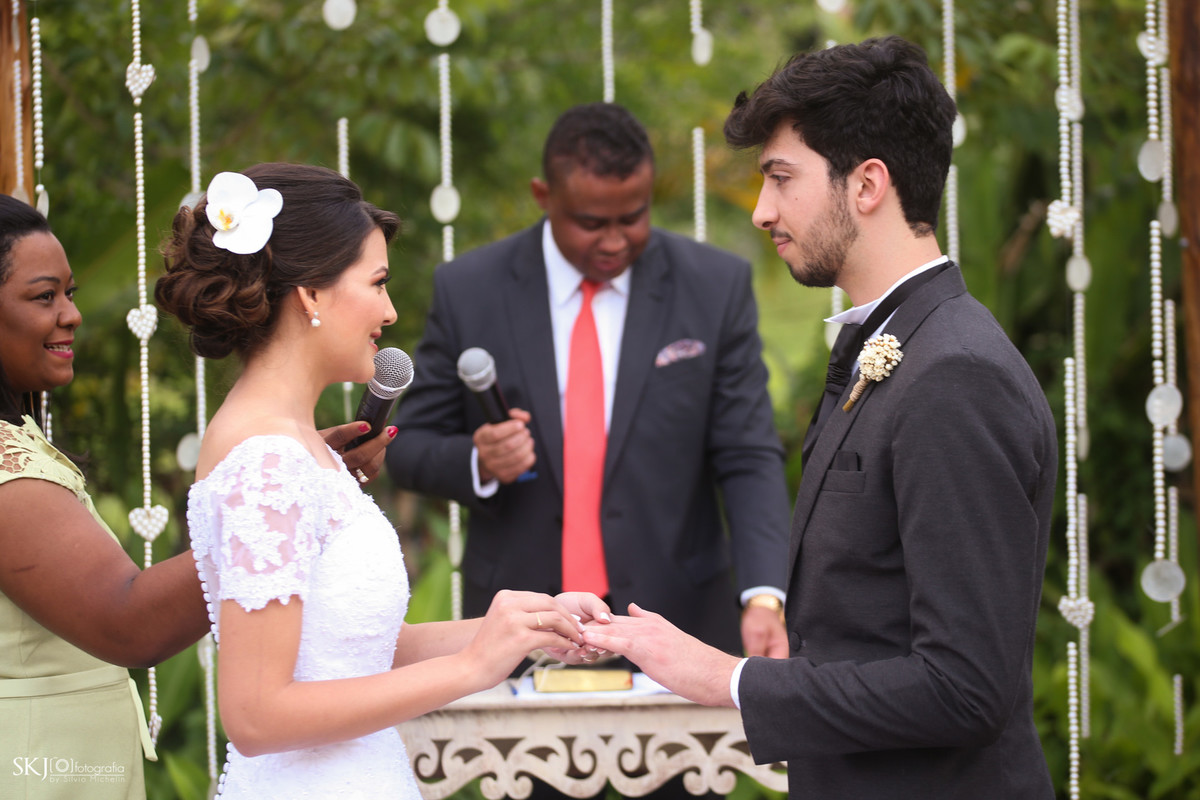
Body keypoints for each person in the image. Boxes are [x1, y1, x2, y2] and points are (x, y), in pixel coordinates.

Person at [584, 36, 1058, 799]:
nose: (764, 211)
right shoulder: (894, 345)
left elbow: (966, 687)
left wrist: (729, 679)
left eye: (781, 178)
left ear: (868, 183)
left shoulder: (955, 374)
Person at [154, 163, 608, 799]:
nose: (390, 312)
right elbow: (256, 716)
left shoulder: (298, 445)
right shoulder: (266, 462)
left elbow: (357, 651)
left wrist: (525, 624)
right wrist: (475, 668)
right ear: (310, 293)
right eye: (378, 283)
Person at [0, 194, 395, 800]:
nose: (71, 315)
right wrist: (277, 504)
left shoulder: (18, 438)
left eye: (71, 294)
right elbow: (124, 622)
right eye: (43, 295)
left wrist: (298, 498)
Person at [387, 102, 791, 664]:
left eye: (633, 217)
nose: (614, 241)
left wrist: (764, 596)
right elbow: (406, 446)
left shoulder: (713, 286)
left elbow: (748, 454)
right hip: (519, 629)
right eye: (591, 222)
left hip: (680, 623)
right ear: (543, 196)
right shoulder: (470, 289)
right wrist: (477, 461)